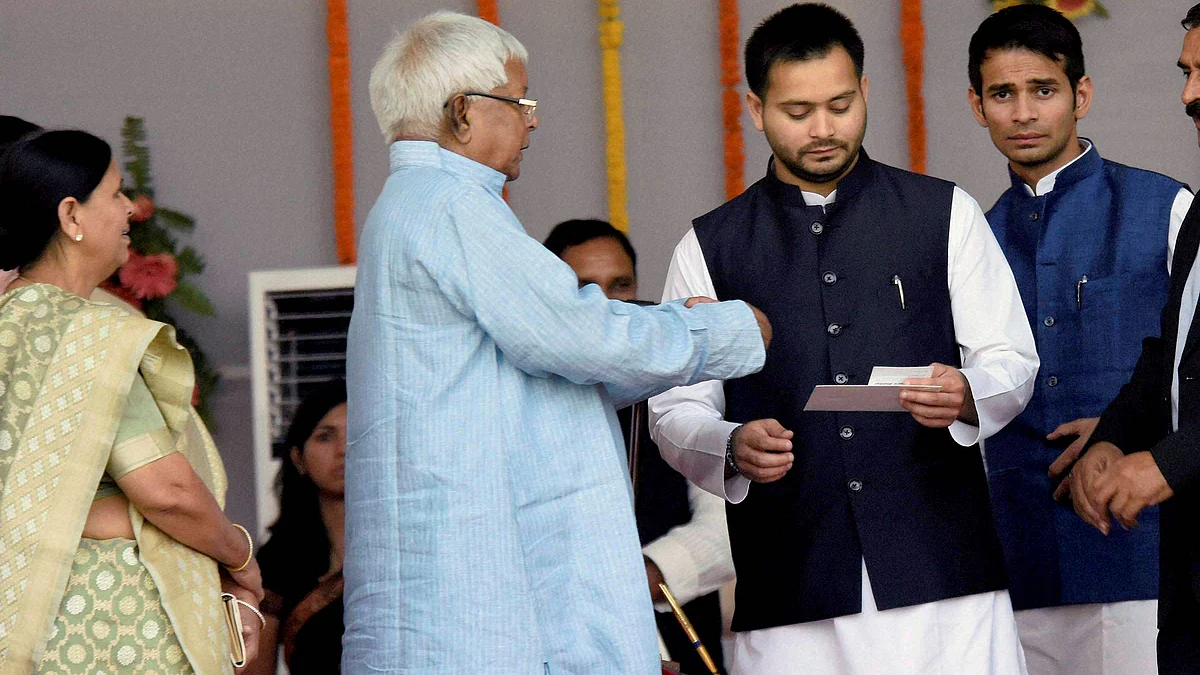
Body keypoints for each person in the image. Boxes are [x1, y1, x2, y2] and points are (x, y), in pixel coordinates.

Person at [343, 11, 771, 675]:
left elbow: (552, 365)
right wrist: (728, 329)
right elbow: (578, 338)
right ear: (462, 111)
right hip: (480, 603)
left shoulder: (407, 205)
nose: (532, 120)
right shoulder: (452, 204)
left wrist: (665, 332)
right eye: (519, 102)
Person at [649, 4, 1040, 674]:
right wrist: (729, 445)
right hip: (791, 585)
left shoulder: (944, 212)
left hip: (941, 581)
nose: (824, 129)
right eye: (798, 111)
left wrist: (968, 391)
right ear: (755, 108)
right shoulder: (708, 245)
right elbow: (674, 410)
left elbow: (1011, 358)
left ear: (865, 92)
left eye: (840, 103)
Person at [966, 6, 1193, 674]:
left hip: (1145, 551)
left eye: (1044, 90)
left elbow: (1190, 362)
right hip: (1022, 558)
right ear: (977, 106)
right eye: (1003, 94)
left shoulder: (1167, 207)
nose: (1024, 112)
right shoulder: (972, 241)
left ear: (1081, 95)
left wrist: (1132, 428)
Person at [0, 126, 263, 672]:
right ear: (71, 217)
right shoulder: (89, 337)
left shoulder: (11, 324)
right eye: (116, 194)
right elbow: (166, 489)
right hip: (107, 621)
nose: (132, 210)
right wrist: (238, 555)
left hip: (29, 618)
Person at [1069, 6, 1200, 673]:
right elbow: (1171, 357)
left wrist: (1170, 462)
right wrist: (1113, 439)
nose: (1189, 95)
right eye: (1187, 73)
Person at [544, 219, 734, 674]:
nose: (608, 304)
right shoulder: (527, 394)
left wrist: (640, 575)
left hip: (678, 630)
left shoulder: (678, 381)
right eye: (584, 287)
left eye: (621, 285)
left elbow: (728, 528)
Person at [248, 380, 347, 675]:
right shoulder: (277, 563)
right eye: (326, 437)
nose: (343, 450)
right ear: (298, 459)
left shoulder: (405, 549)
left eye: (356, 435)